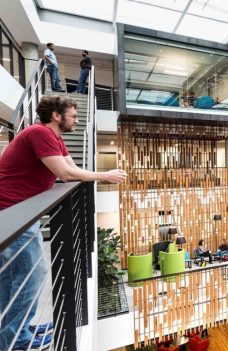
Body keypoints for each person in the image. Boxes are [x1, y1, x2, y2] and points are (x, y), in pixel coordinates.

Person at [0, 95, 126, 350]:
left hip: (19, 210)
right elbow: (65, 173)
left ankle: (15, 328)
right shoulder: (40, 133)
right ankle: (16, 339)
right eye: (73, 116)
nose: (77, 121)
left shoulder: (55, 138)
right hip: (10, 210)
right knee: (31, 275)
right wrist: (105, 175)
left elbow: (72, 167)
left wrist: (91, 176)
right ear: (57, 116)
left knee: (11, 278)